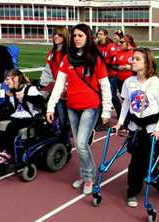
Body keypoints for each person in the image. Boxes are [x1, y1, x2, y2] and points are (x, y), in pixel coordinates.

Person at [46, 24, 112, 195]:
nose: (76, 38)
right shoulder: (67, 59)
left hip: (91, 106)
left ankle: (89, 176)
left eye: (80, 35)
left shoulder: (95, 58)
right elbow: (59, 85)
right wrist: (50, 106)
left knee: (82, 143)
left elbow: (105, 86)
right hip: (72, 107)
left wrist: (106, 111)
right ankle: (83, 174)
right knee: (79, 144)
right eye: (74, 35)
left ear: (88, 37)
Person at [112, 47, 159, 208]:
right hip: (136, 130)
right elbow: (126, 104)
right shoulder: (128, 82)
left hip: (153, 131)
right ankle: (132, 192)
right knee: (136, 164)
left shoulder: (155, 82)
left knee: (148, 167)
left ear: (147, 63)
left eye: (137, 59)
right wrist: (120, 122)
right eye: (133, 58)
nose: (133, 61)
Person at [0, 69, 44, 163]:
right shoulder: (12, 92)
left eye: (7, 79)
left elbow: (40, 101)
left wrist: (24, 96)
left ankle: (7, 151)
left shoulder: (30, 89)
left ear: (16, 78)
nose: (5, 82)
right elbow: (12, 108)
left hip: (28, 117)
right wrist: (8, 97)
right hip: (16, 114)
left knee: (12, 125)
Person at [39, 26, 71, 149]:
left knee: (74, 122)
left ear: (65, 36)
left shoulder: (71, 52)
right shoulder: (51, 53)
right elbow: (48, 72)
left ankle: (86, 137)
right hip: (59, 92)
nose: (56, 36)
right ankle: (66, 143)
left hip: (72, 91)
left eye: (59, 34)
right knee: (62, 121)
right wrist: (40, 83)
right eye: (54, 34)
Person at [96, 28, 121, 119]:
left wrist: (105, 65)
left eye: (101, 34)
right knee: (99, 94)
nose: (99, 36)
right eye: (98, 34)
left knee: (113, 95)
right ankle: (101, 114)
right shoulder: (97, 46)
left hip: (111, 74)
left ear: (106, 35)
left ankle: (120, 113)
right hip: (101, 74)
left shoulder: (110, 46)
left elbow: (114, 59)